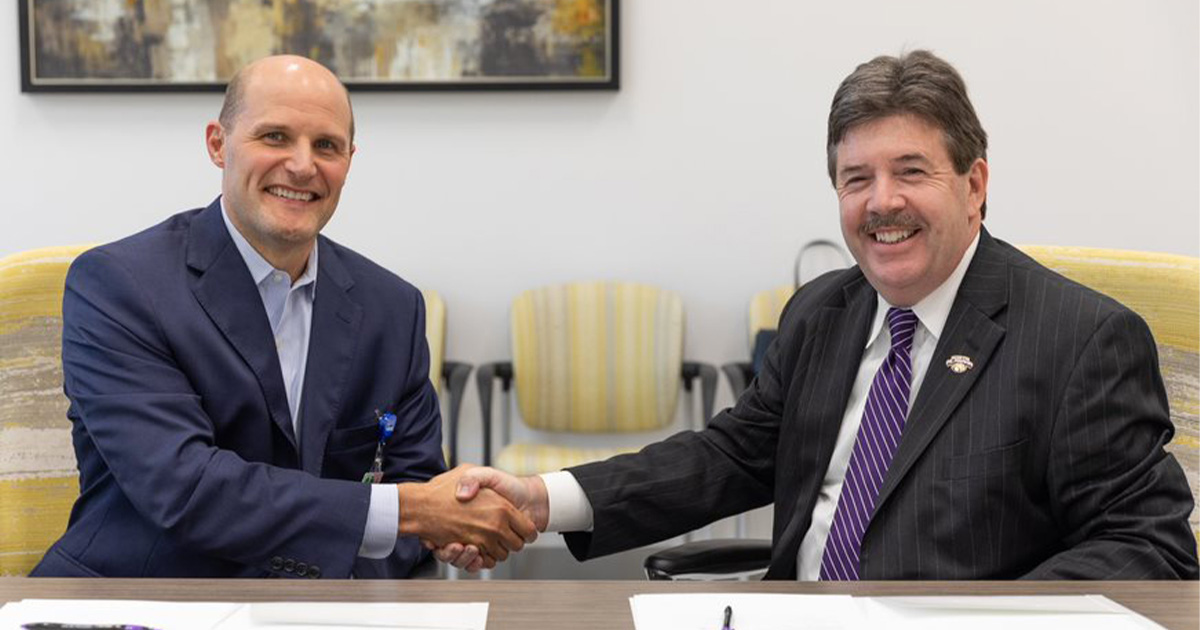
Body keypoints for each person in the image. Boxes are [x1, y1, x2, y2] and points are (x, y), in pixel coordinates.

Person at [444, 50, 1199, 579]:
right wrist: (543, 499)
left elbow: (1147, 546)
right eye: (855, 178)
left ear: (975, 185)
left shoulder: (1081, 340)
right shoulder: (822, 312)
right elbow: (731, 457)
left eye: (911, 171)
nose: (881, 203)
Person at [32, 55, 535, 579]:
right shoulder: (119, 286)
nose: (302, 165)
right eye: (275, 137)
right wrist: (412, 513)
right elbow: (185, 488)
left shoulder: (394, 308)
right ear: (218, 144)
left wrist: (448, 525)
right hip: (143, 595)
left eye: (327, 146)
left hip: (331, 604)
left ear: (349, 160)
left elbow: (419, 489)